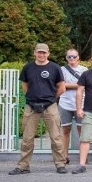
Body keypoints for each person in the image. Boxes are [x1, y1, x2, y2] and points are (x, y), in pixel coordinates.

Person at [10, 44, 67, 175]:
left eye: (44, 53)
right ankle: (23, 166)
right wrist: (32, 97)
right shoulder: (28, 68)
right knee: (27, 138)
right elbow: (25, 86)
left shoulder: (55, 67)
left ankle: (60, 164)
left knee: (56, 137)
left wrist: (51, 99)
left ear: (48, 53)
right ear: (34, 53)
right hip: (31, 106)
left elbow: (62, 87)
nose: (41, 55)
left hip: (50, 106)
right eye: (39, 52)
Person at [58, 48, 86, 164]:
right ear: (66, 58)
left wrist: (69, 85)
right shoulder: (61, 70)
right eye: (69, 57)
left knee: (82, 131)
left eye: (74, 56)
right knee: (65, 130)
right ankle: (64, 156)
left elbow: (86, 85)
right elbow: (60, 85)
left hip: (82, 104)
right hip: (65, 104)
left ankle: (83, 157)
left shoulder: (84, 70)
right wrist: (78, 85)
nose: (72, 59)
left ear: (78, 57)